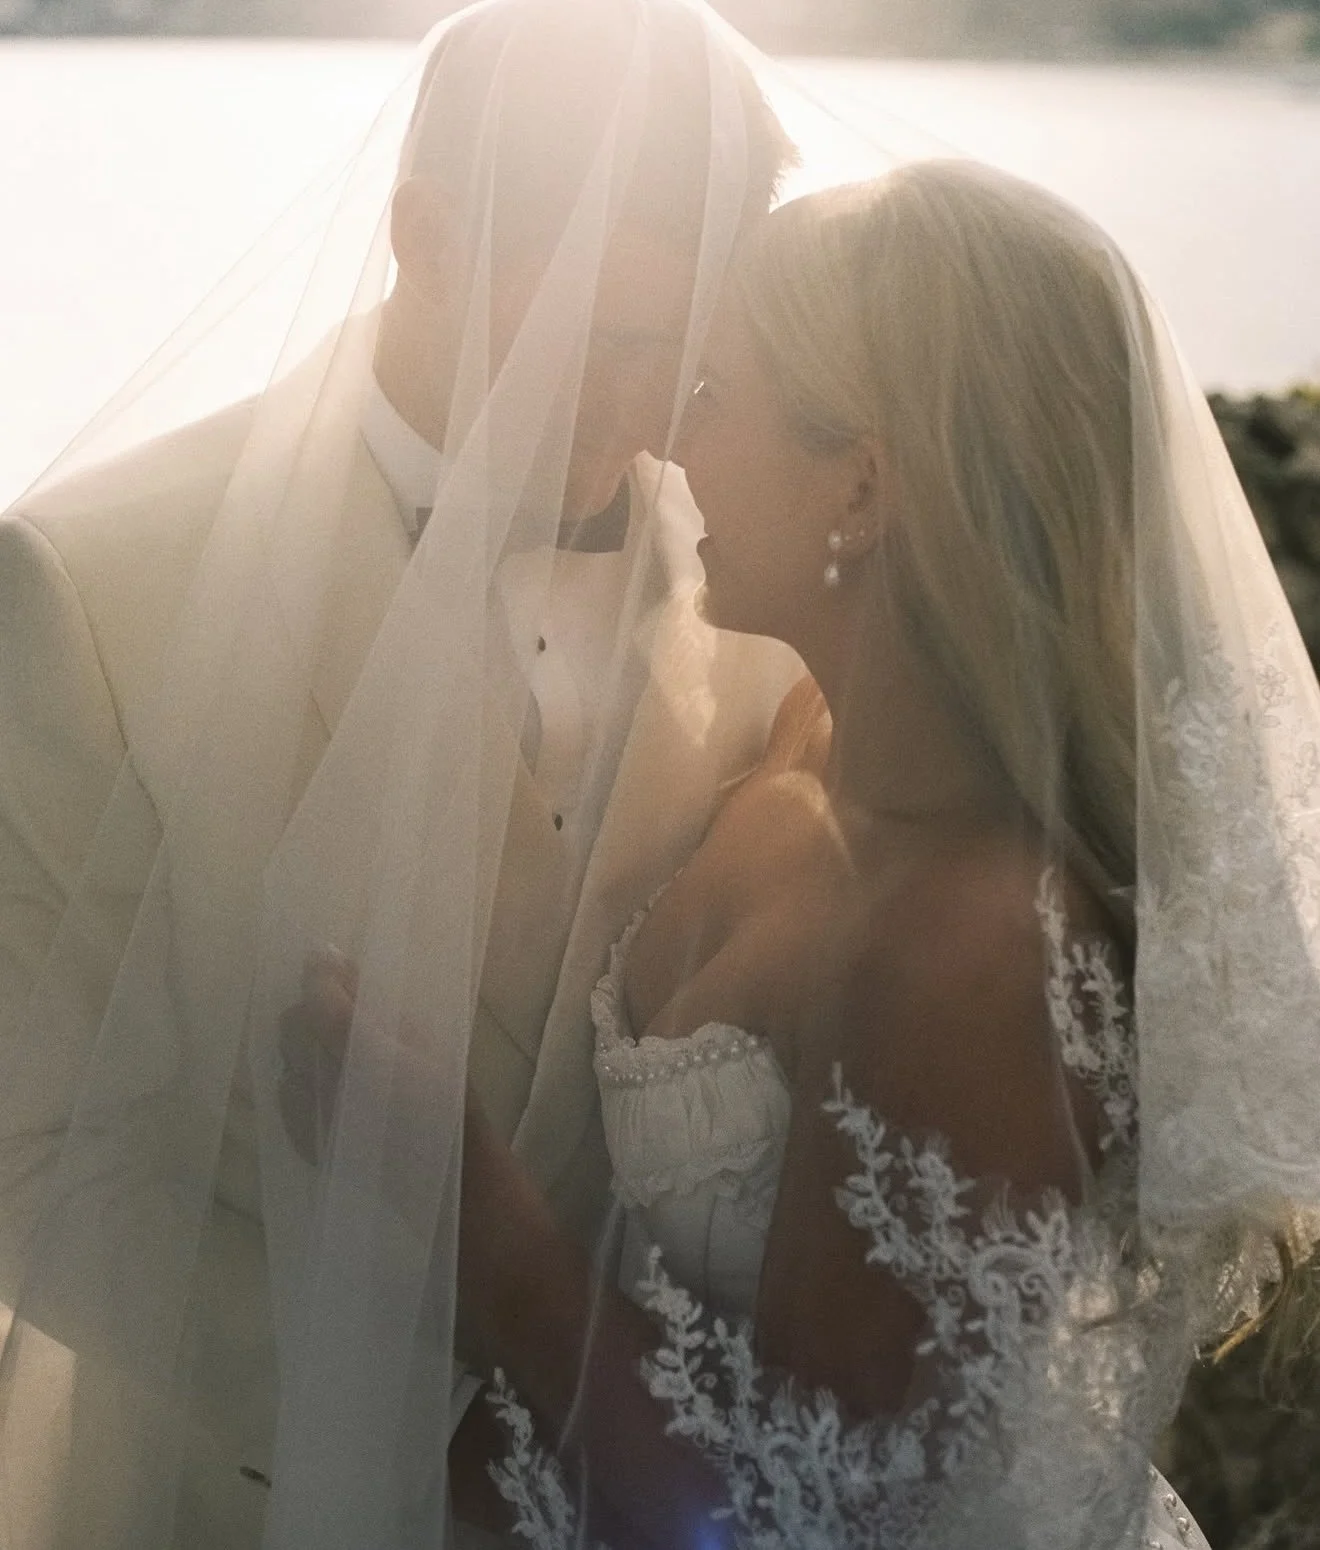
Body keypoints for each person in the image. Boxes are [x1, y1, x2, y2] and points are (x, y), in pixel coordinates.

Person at [304, 159, 1320, 1545]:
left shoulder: (979, 945)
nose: (669, 439)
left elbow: (803, 1513)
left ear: (861, 484)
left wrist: (470, 1208)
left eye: (715, 392)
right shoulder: (802, 745)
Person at [0, 3, 802, 1546]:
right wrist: (425, 1435)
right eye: (613, 335)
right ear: (425, 236)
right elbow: (29, 1154)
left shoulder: (773, 591)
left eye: (693, 346)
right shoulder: (83, 592)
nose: (652, 414)